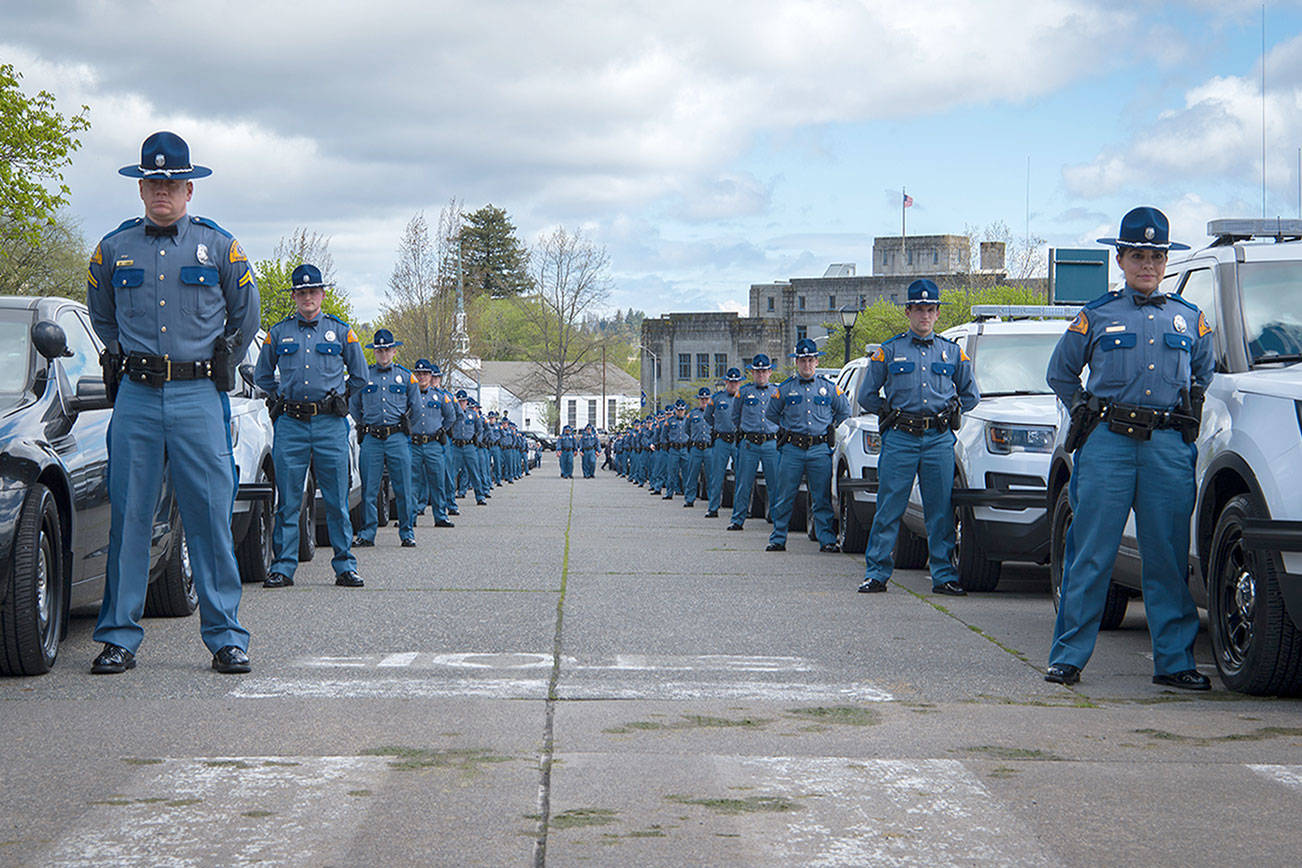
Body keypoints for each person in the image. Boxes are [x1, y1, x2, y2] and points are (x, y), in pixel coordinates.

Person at [86, 130, 259, 674]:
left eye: (172, 183)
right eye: (152, 182)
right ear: (141, 190)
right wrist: (122, 356)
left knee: (209, 518)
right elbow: (103, 315)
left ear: (190, 190)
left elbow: (245, 314)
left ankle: (227, 637)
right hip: (137, 397)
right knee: (131, 518)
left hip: (198, 396)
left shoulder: (220, 247)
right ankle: (118, 636)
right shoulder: (114, 249)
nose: (162, 191)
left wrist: (223, 358)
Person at [1043, 206, 1214, 690]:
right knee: (1091, 553)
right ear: (1120, 259)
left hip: (1165, 446)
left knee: (1166, 556)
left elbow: (1206, 372)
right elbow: (1060, 372)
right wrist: (1085, 410)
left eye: (1156, 256)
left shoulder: (1189, 319)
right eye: (1138, 255)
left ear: (1166, 262)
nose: (1148, 265)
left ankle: (1175, 662)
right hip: (1108, 445)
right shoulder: (1095, 316)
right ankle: (1068, 657)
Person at [856, 279, 979, 596]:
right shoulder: (889, 351)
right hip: (900, 438)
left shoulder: (953, 353)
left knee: (939, 510)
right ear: (908, 312)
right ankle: (877, 573)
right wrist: (889, 412)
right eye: (919, 309)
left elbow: (971, 395)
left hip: (938, 438)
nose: (925, 315)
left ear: (938, 314)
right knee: (889, 507)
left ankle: (943, 576)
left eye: (930, 309)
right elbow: (867, 394)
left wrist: (951, 412)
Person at [254, 263, 367, 590]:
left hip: (330, 423)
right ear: (294, 295)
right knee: (288, 499)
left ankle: (345, 566)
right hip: (290, 424)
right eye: (301, 292)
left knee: (336, 499)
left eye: (313, 291)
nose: (308, 297)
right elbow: (262, 376)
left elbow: (360, 376)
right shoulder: (277, 333)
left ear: (322, 294)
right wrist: (277, 399)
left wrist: (341, 399)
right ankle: (283, 567)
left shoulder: (341, 331)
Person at [765, 338, 852, 551]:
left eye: (811, 360)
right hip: (792, 449)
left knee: (821, 496)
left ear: (816, 361)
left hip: (819, 449)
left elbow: (844, 411)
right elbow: (772, 414)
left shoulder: (830, 388)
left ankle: (827, 540)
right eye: (803, 360)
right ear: (796, 362)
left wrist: (828, 427)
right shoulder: (784, 389)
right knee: (785, 496)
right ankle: (778, 539)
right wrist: (789, 429)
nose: (807, 365)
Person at [349, 329, 419, 553]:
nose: (383, 354)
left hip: (397, 437)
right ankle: (368, 533)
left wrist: (404, 426)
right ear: (374, 352)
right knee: (369, 488)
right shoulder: (363, 377)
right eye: (379, 350)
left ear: (394, 351)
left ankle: (407, 533)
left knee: (403, 487)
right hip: (372, 438)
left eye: (387, 349)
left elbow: (416, 408)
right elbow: (354, 406)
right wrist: (365, 423)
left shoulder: (406, 377)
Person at [727, 354, 781, 531]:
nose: (761, 375)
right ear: (752, 373)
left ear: (770, 372)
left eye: (764, 371)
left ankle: (775, 517)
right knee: (744, 482)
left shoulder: (777, 391)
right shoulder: (744, 392)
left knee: (774, 483)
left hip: (771, 443)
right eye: (757, 372)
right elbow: (735, 416)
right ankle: (738, 519)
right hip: (749, 443)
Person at [408, 359, 458, 529]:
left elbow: (451, 416)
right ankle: (411, 517)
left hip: (433, 444)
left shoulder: (440, 396)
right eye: (419, 374)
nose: (422, 377)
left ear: (430, 376)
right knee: (412, 483)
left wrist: (442, 430)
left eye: (425, 374)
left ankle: (440, 516)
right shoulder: (409, 394)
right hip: (413, 443)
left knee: (437, 481)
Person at [704, 368, 743, 518]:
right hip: (722, 440)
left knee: (742, 476)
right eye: (730, 381)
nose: (733, 384)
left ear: (740, 382)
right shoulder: (717, 398)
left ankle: (740, 509)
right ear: (726, 382)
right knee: (717, 475)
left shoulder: (743, 397)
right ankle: (713, 507)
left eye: (736, 382)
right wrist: (718, 427)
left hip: (738, 440)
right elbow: (708, 417)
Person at [449, 391, 488, 504]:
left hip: (469, 446)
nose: (462, 403)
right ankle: (450, 501)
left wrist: (477, 439)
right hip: (456, 446)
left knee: (474, 472)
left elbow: (480, 429)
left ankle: (480, 497)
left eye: (464, 401)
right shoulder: (452, 413)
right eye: (459, 401)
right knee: (452, 474)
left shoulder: (473, 414)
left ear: (467, 401)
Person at [681, 387, 713, 507]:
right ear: (698, 400)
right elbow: (687, 429)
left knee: (711, 476)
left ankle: (712, 500)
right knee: (692, 474)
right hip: (696, 448)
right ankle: (690, 499)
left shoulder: (714, 412)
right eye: (702, 399)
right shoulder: (692, 414)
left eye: (706, 399)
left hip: (709, 447)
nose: (704, 401)